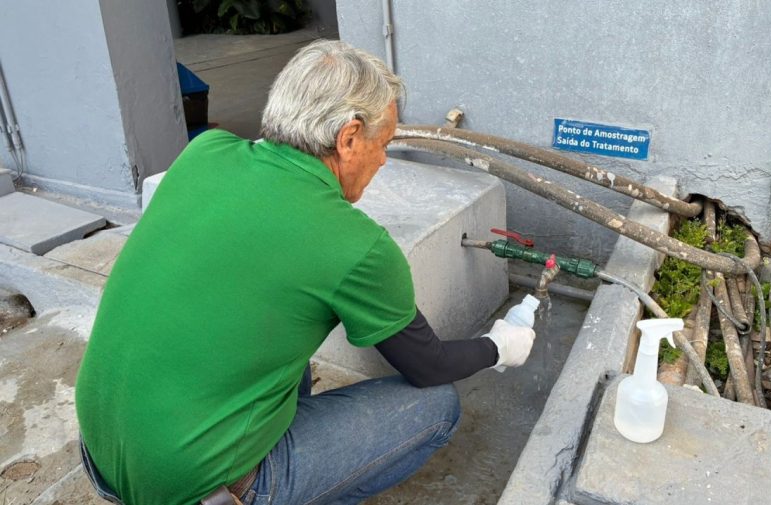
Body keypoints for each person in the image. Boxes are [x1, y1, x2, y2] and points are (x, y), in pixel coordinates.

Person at [75, 40, 536, 505]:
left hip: (103, 454)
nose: (383, 159)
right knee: (437, 407)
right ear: (349, 138)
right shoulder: (357, 246)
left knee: (284, 342)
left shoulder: (205, 153)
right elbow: (429, 366)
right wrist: (499, 347)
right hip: (190, 489)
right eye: (383, 144)